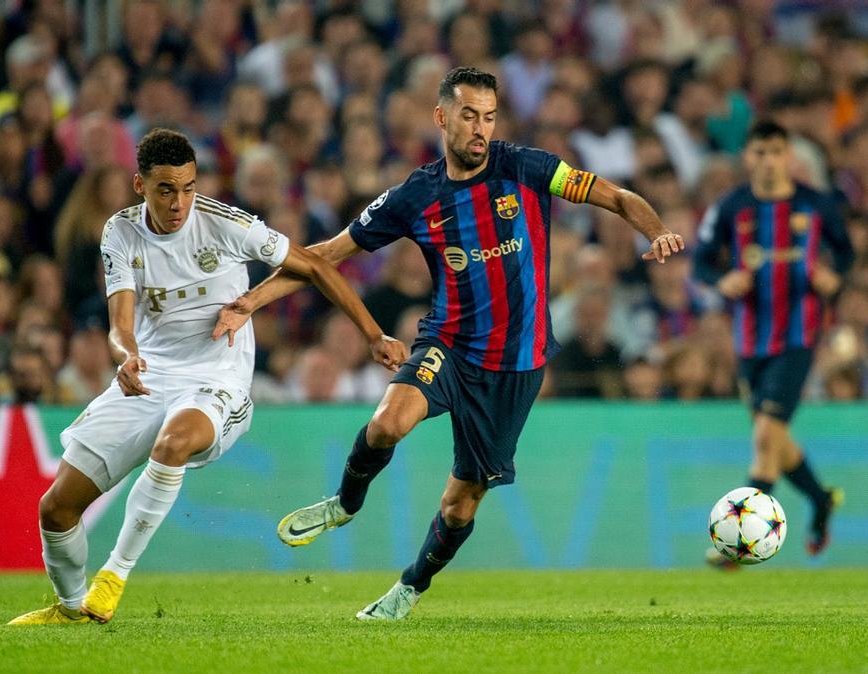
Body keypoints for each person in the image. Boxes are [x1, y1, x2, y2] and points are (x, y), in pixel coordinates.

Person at [212, 68, 682, 620]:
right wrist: (250, 301)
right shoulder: (416, 195)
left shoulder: (529, 168)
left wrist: (656, 230)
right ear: (441, 117)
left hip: (517, 366)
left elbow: (617, 196)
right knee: (389, 421)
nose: (480, 129)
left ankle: (409, 588)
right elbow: (323, 256)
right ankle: (345, 502)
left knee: (459, 505)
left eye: (488, 116)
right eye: (468, 115)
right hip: (450, 346)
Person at [8, 128, 407, 626]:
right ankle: (71, 611)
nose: (179, 202)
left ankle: (114, 576)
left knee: (173, 443)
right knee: (56, 509)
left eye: (188, 187)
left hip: (218, 376)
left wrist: (372, 334)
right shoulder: (120, 231)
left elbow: (316, 265)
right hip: (150, 373)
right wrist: (125, 357)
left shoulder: (226, 224)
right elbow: (120, 325)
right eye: (165, 190)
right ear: (140, 186)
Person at [693, 120, 853, 564]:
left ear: (788, 156)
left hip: (799, 334)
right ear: (748, 157)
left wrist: (832, 277)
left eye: (775, 152)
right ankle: (820, 500)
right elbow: (702, 262)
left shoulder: (816, 204)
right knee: (775, 440)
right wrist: (722, 279)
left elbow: (846, 251)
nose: (767, 161)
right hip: (749, 339)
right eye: (759, 152)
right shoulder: (730, 208)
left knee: (765, 434)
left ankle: (737, 545)